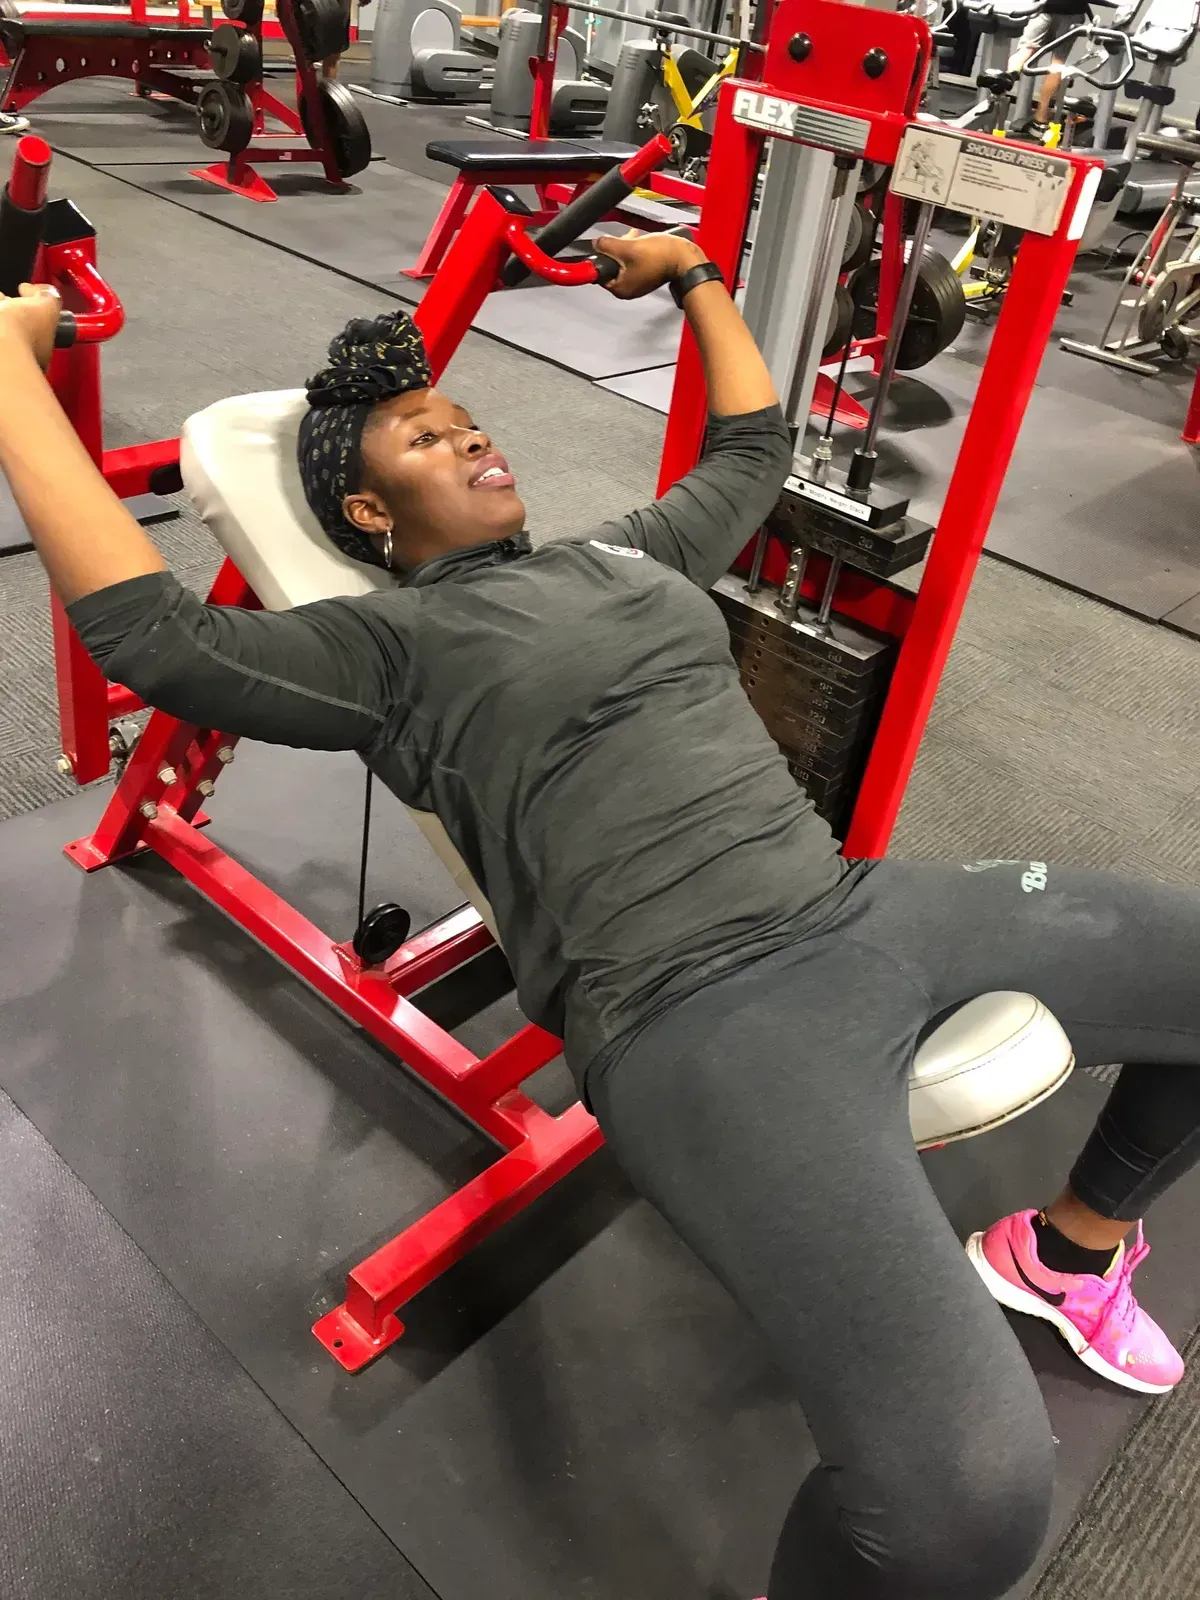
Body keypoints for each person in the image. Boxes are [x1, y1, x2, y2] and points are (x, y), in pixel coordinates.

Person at [0, 233, 1197, 1600]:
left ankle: (1063, 1253)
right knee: (965, 1511)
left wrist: (694, 274)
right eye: (423, 439)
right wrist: (14, 378)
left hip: (857, 908)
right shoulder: (383, 651)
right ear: (374, 520)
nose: (471, 440)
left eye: (466, 419)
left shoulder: (626, 556)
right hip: (701, 1015)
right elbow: (154, 639)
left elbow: (753, 447)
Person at [1009, 1, 1088, 137]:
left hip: (1043, 9)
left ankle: (1004, 83)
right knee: (1057, 62)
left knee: (1025, 51)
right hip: (1071, 13)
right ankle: (1041, 120)